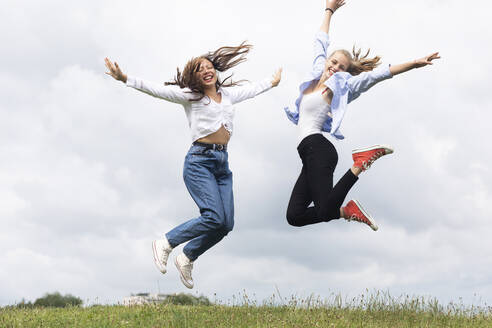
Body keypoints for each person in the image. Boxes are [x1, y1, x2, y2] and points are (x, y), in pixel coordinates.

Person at [104, 44, 281, 289]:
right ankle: (165, 242)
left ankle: (187, 256)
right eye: (201, 69)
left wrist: (271, 82)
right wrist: (125, 78)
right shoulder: (190, 96)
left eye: (210, 67)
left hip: (222, 164)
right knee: (213, 217)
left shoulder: (227, 96)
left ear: (216, 71)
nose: (207, 71)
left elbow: (250, 91)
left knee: (225, 224)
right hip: (199, 162)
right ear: (194, 76)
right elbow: (156, 91)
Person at [284, 0, 439, 230]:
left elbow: (378, 75)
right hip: (308, 153)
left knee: (325, 210)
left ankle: (360, 163)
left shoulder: (342, 88)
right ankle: (347, 211)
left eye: (342, 67)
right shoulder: (317, 72)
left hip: (319, 149)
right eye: (334, 61)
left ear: (345, 73)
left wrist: (414, 64)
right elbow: (320, 41)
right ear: (327, 60)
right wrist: (329, 10)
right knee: (294, 217)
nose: (335, 67)